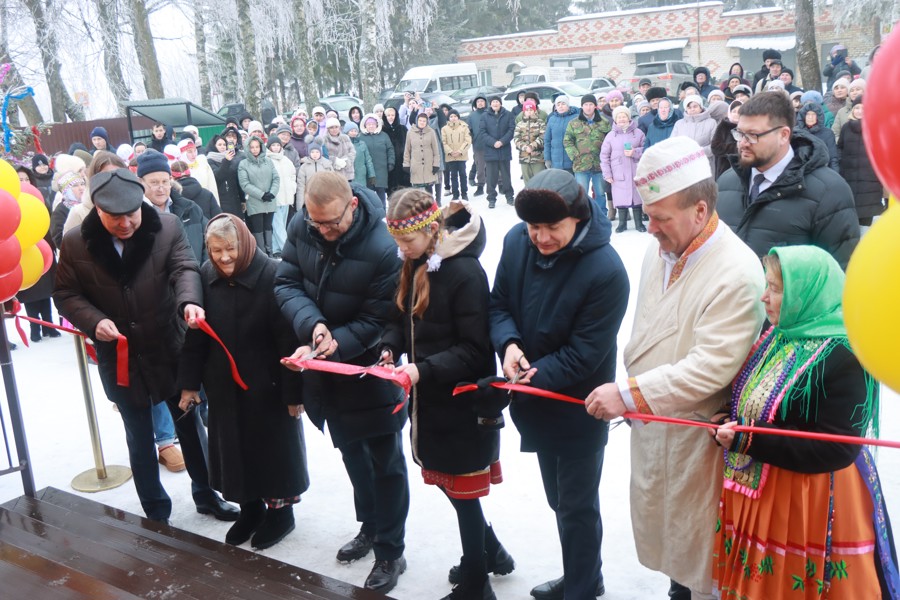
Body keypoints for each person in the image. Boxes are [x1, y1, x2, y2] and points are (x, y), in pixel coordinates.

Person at [584, 136, 766, 600]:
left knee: (699, 548)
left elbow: (711, 367)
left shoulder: (736, 270)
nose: (650, 229)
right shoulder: (659, 249)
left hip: (695, 437)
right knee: (668, 536)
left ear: (700, 211)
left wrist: (628, 394)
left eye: (661, 218)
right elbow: (649, 327)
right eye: (648, 215)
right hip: (654, 424)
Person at [53, 168, 238, 524]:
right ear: (97, 211)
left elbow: (184, 267)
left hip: (169, 346)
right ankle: (156, 511)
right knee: (139, 436)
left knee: (190, 425)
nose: (125, 224)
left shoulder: (166, 226)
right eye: (114, 218)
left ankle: (207, 493)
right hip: (122, 356)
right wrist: (93, 320)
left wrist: (188, 302)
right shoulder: (76, 242)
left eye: (131, 215)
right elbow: (65, 293)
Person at [713, 245, 898, 599]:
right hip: (770, 492)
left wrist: (749, 440)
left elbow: (835, 446)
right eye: (766, 285)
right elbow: (761, 405)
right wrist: (730, 420)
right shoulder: (779, 335)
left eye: (777, 289)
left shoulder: (845, 354)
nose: (764, 297)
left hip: (814, 498)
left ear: (809, 292)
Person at [489, 169, 629, 600]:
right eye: (535, 227)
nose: (541, 238)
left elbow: (585, 353)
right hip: (531, 396)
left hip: (578, 404)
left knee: (576, 506)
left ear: (579, 217)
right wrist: (509, 344)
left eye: (553, 227)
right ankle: (585, 575)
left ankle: (583, 589)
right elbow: (499, 304)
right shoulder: (516, 242)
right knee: (558, 501)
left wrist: (529, 374)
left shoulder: (606, 270)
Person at [276, 172, 409, 594]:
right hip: (326, 369)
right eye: (317, 223)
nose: (324, 231)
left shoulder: (384, 248)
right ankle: (369, 527)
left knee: (385, 462)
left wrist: (337, 342)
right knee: (352, 454)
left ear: (352, 204)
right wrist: (313, 325)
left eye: (331, 222)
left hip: (371, 372)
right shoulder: (304, 225)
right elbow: (287, 282)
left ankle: (391, 549)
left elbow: (378, 318)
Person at [381, 192, 512, 600]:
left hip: (462, 401)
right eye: (398, 244)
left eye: (408, 243)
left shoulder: (466, 272)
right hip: (431, 401)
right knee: (450, 486)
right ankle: (491, 553)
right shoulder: (414, 263)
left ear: (432, 231)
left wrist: (423, 369)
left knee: (463, 493)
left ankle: (477, 583)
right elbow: (401, 319)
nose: (401, 251)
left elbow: (475, 349)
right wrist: (390, 347)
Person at [177, 214, 308, 550]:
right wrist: (190, 384)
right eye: (216, 250)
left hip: (268, 387)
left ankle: (280, 514)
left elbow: (289, 342)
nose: (223, 257)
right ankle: (250, 508)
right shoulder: (206, 277)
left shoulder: (272, 275)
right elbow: (196, 338)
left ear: (245, 243)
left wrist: (294, 394)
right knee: (234, 451)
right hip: (224, 387)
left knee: (271, 452)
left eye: (230, 249)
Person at [717, 92, 859, 269]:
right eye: (739, 133)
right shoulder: (726, 182)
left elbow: (839, 272)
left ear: (784, 135)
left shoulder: (829, 191)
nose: (742, 143)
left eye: (753, 135)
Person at [838, 101, 884, 228]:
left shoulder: (876, 128)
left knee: (866, 220)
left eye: (863, 108)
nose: (859, 111)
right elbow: (839, 148)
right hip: (849, 178)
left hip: (870, 181)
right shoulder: (846, 127)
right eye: (856, 108)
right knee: (850, 219)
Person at [564, 93, 611, 215]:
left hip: (599, 165)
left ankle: (601, 215)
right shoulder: (574, 123)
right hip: (581, 165)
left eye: (591, 104)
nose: (588, 107)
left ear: (595, 106)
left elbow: (610, 141)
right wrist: (575, 155)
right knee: (581, 193)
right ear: (582, 106)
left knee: (600, 192)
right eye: (586, 105)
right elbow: (567, 140)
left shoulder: (604, 122)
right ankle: (583, 216)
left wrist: (607, 159)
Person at [601, 105, 645, 232]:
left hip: (636, 171)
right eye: (619, 117)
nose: (622, 119)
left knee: (637, 198)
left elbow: (646, 150)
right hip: (618, 173)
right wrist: (607, 174)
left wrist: (635, 152)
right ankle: (622, 224)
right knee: (620, 199)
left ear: (628, 117)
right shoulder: (610, 135)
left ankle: (639, 223)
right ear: (615, 119)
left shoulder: (638, 133)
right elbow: (604, 156)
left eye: (624, 116)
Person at [237, 136, 280, 256]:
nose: (255, 149)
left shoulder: (268, 161)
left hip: (270, 200)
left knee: (268, 227)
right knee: (258, 229)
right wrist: (262, 195)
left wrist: (272, 192)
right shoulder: (243, 164)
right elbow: (245, 184)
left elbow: (276, 178)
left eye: (257, 147)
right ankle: (262, 255)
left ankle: (270, 253)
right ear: (247, 148)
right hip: (255, 202)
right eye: (252, 147)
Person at [265, 136, 298, 258]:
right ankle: (287, 249)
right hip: (275, 197)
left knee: (282, 224)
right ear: (269, 147)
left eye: (278, 145)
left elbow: (293, 175)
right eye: (273, 145)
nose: (276, 147)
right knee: (277, 224)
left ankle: (276, 249)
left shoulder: (286, 160)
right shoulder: (267, 160)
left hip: (287, 196)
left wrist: (292, 187)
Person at [479, 96, 515, 208]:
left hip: (504, 150)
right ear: (490, 104)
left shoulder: (508, 114)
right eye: (493, 102)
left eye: (497, 102)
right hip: (490, 151)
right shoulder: (484, 116)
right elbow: (482, 132)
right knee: (491, 178)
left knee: (506, 177)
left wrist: (502, 141)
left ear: (500, 103)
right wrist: (493, 142)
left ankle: (509, 197)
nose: (495, 103)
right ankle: (491, 199)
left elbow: (511, 130)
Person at [207, 133, 245, 218]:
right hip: (222, 200)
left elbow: (236, 180)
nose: (222, 146)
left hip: (234, 199)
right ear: (214, 146)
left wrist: (242, 199)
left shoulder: (229, 158)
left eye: (224, 144)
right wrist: (226, 161)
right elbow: (218, 177)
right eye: (219, 144)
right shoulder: (210, 161)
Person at [361, 113, 396, 205]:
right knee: (369, 194)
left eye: (373, 124)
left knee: (381, 193)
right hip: (367, 171)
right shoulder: (360, 137)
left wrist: (391, 162)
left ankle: (383, 212)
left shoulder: (384, 135)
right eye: (369, 124)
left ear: (377, 124)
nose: (371, 126)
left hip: (381, 169)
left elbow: (390, 149)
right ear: (365, 125)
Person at [403, 112, 441, 194]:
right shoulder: (410, 133)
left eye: (424, 121)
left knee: (429, 191)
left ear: (427, 122)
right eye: (420, 120)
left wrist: (436, 164)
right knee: (418, 192)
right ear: (417, 121)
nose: (422, 122)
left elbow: (436, 150)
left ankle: (431, 206)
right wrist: (406, 164)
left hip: (429, 165)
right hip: (416, 166)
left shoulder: (431, 132)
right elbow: (407, 150)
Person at [797, 103, 840, 172]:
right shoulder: (796, 132)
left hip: (821, 171)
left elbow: (833, 158)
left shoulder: (827, 133)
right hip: (800, 172)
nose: (810, 117)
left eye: (813, 114)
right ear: (803, 116)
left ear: (818, 116)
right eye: (808, 114)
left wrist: (836, 176)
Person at [513, 99, 546, 184]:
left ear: (534, 111)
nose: (529, 112)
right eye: (527, 110)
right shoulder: (519, 124)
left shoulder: (540, 123)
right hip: (524, 157)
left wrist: (532, 146)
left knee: (540, 181)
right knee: (528, 182)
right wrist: (525, 147)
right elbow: (516, 138)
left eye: (531, 110)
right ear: (524, 111)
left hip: (538, 157)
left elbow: (543, 136)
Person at [178, 138, 220, 204]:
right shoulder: (178, 169)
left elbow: (212, 186)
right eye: (189, 152)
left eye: (195, 151)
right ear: (182, 153)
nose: (193, 154)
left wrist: (216, 204)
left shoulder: (203, 165)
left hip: (206, 203)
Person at [543, 96, 579, 173]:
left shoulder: (576, 118)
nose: (561, 106)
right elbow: (547, 141)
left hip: (572, 161)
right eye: (558, 104)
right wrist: (547, 158)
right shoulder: (552, 119)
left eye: (563, 104)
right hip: (556, 163)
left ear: (568, 105)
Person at [442, 109, 472, 200]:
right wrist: (450, 151)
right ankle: (455, 194)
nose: (453, 118)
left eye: (455, 116)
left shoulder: (464, 127)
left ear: (458, 117)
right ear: (448, 118)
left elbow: (467, 141)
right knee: (453, 175)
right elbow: (443, 142)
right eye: (451, 116)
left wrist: (460, 151)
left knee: (463, 174)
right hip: (450, 156)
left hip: (461, 155)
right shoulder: (444, 129)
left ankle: (464, 193)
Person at [711, 100, 742, 179]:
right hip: (724, 168)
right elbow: (715, 147)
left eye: (739, 111)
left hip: (742, 168)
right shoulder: (723, 125)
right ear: (729, 112)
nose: (736, 114)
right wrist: (736, 147)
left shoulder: (747, 126)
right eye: (734, 111)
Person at [383, 107, 409, 193]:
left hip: (402, 164)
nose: (391, 117)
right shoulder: (383, 130)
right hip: (390, 165)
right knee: (391, 189)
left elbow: (408, 145)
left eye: (393, 115)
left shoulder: (402, 129)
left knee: (405, 189)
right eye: (388, 115)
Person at [345, 122, 376, 192]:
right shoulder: (344, 144)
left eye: (355, 131)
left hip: (361, 176)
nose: (353, 133)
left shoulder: (362, 144)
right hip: (348, 176)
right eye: (351, 131)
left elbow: (368, 160)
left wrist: (372, 174)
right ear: (347, 132)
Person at [322, 117, 356, 181]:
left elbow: (352, 152)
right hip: (332, 173)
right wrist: (335, 161)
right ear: (328, 129)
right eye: (332, 127)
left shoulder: (345, 138)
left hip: (347, 172)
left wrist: (346, 161)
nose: (334, 129)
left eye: (336, 127)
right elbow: (323, 155)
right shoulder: (324, 140)